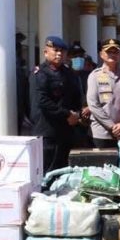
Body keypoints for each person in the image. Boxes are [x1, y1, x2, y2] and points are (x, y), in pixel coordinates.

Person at [29, 36, 83, 172]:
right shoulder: (40, 73)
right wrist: (67, 114)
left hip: (66, 130)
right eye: (56, 50)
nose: (59, 54)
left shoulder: (69, 73)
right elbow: (42, 101)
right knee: (47, 170)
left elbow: (76, 97)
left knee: (63, 170)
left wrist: (77, 114)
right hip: (48, 130)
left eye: (63, 51)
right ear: (46, 52)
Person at [86, 38, 120, 148]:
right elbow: (93, 105)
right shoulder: (95, 76)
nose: (112, 55)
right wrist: (112, 127)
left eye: (115, 52)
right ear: (101, 54)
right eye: (108, 52)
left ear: (119, 54)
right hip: (101, 134)